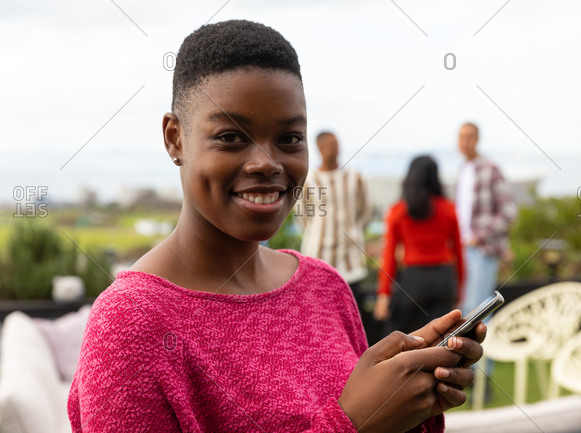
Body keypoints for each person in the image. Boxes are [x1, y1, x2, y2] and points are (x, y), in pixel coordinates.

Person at [68, 20, 487, 433]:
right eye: (231, 137)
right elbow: (356, 423)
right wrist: (355, 424)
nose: (267, 163)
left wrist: (410, 402)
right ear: (175, 138)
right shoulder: (130, 323)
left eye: (289, 139)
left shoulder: (324, 287)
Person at [374, 156, 465, 334]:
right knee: (441, 341)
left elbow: (389, 257)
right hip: (444, 281)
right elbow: (459, 255)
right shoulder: (449, 209)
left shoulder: (398, 211)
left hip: (412, 282)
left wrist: (384, 294)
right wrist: (459, 291)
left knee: (400, 340)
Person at [295, 131, 371, 309]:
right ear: (319, 148)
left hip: (351, 262)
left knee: (352, 315)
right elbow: (302, 217)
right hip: (318, 259)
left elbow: (365, 214)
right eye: (330, 144)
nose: (334, 149)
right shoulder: (308, 180)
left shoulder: (356, 178)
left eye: (336, 144)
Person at [455, 122, 517, 316]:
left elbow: (509, 211)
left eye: (469, 137)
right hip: (462, 249)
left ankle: (485, 347)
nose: (464, 142)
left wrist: (480, 237)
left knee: (478, 311)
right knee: (464, 309)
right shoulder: (463, 170)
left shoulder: (491, 168)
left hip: (483, 250)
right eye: (461, 137)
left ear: (477, 139)